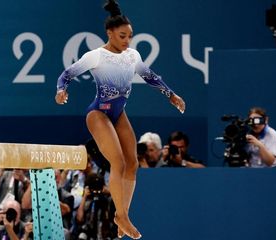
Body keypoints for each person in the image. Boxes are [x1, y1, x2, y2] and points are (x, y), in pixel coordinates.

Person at [55, 0, 185, 238]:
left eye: (130, 36)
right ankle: (122, 215)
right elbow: (67, 74)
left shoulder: (132, 56)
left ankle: (121, 215)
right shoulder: (96, 56)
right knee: (119, 162)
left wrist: (171, 95)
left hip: (118, 114)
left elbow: (150, 76)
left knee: (133, 163)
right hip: (98, 114)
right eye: (123, 36)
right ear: (110, 34)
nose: (127, 41)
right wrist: (61, 90)